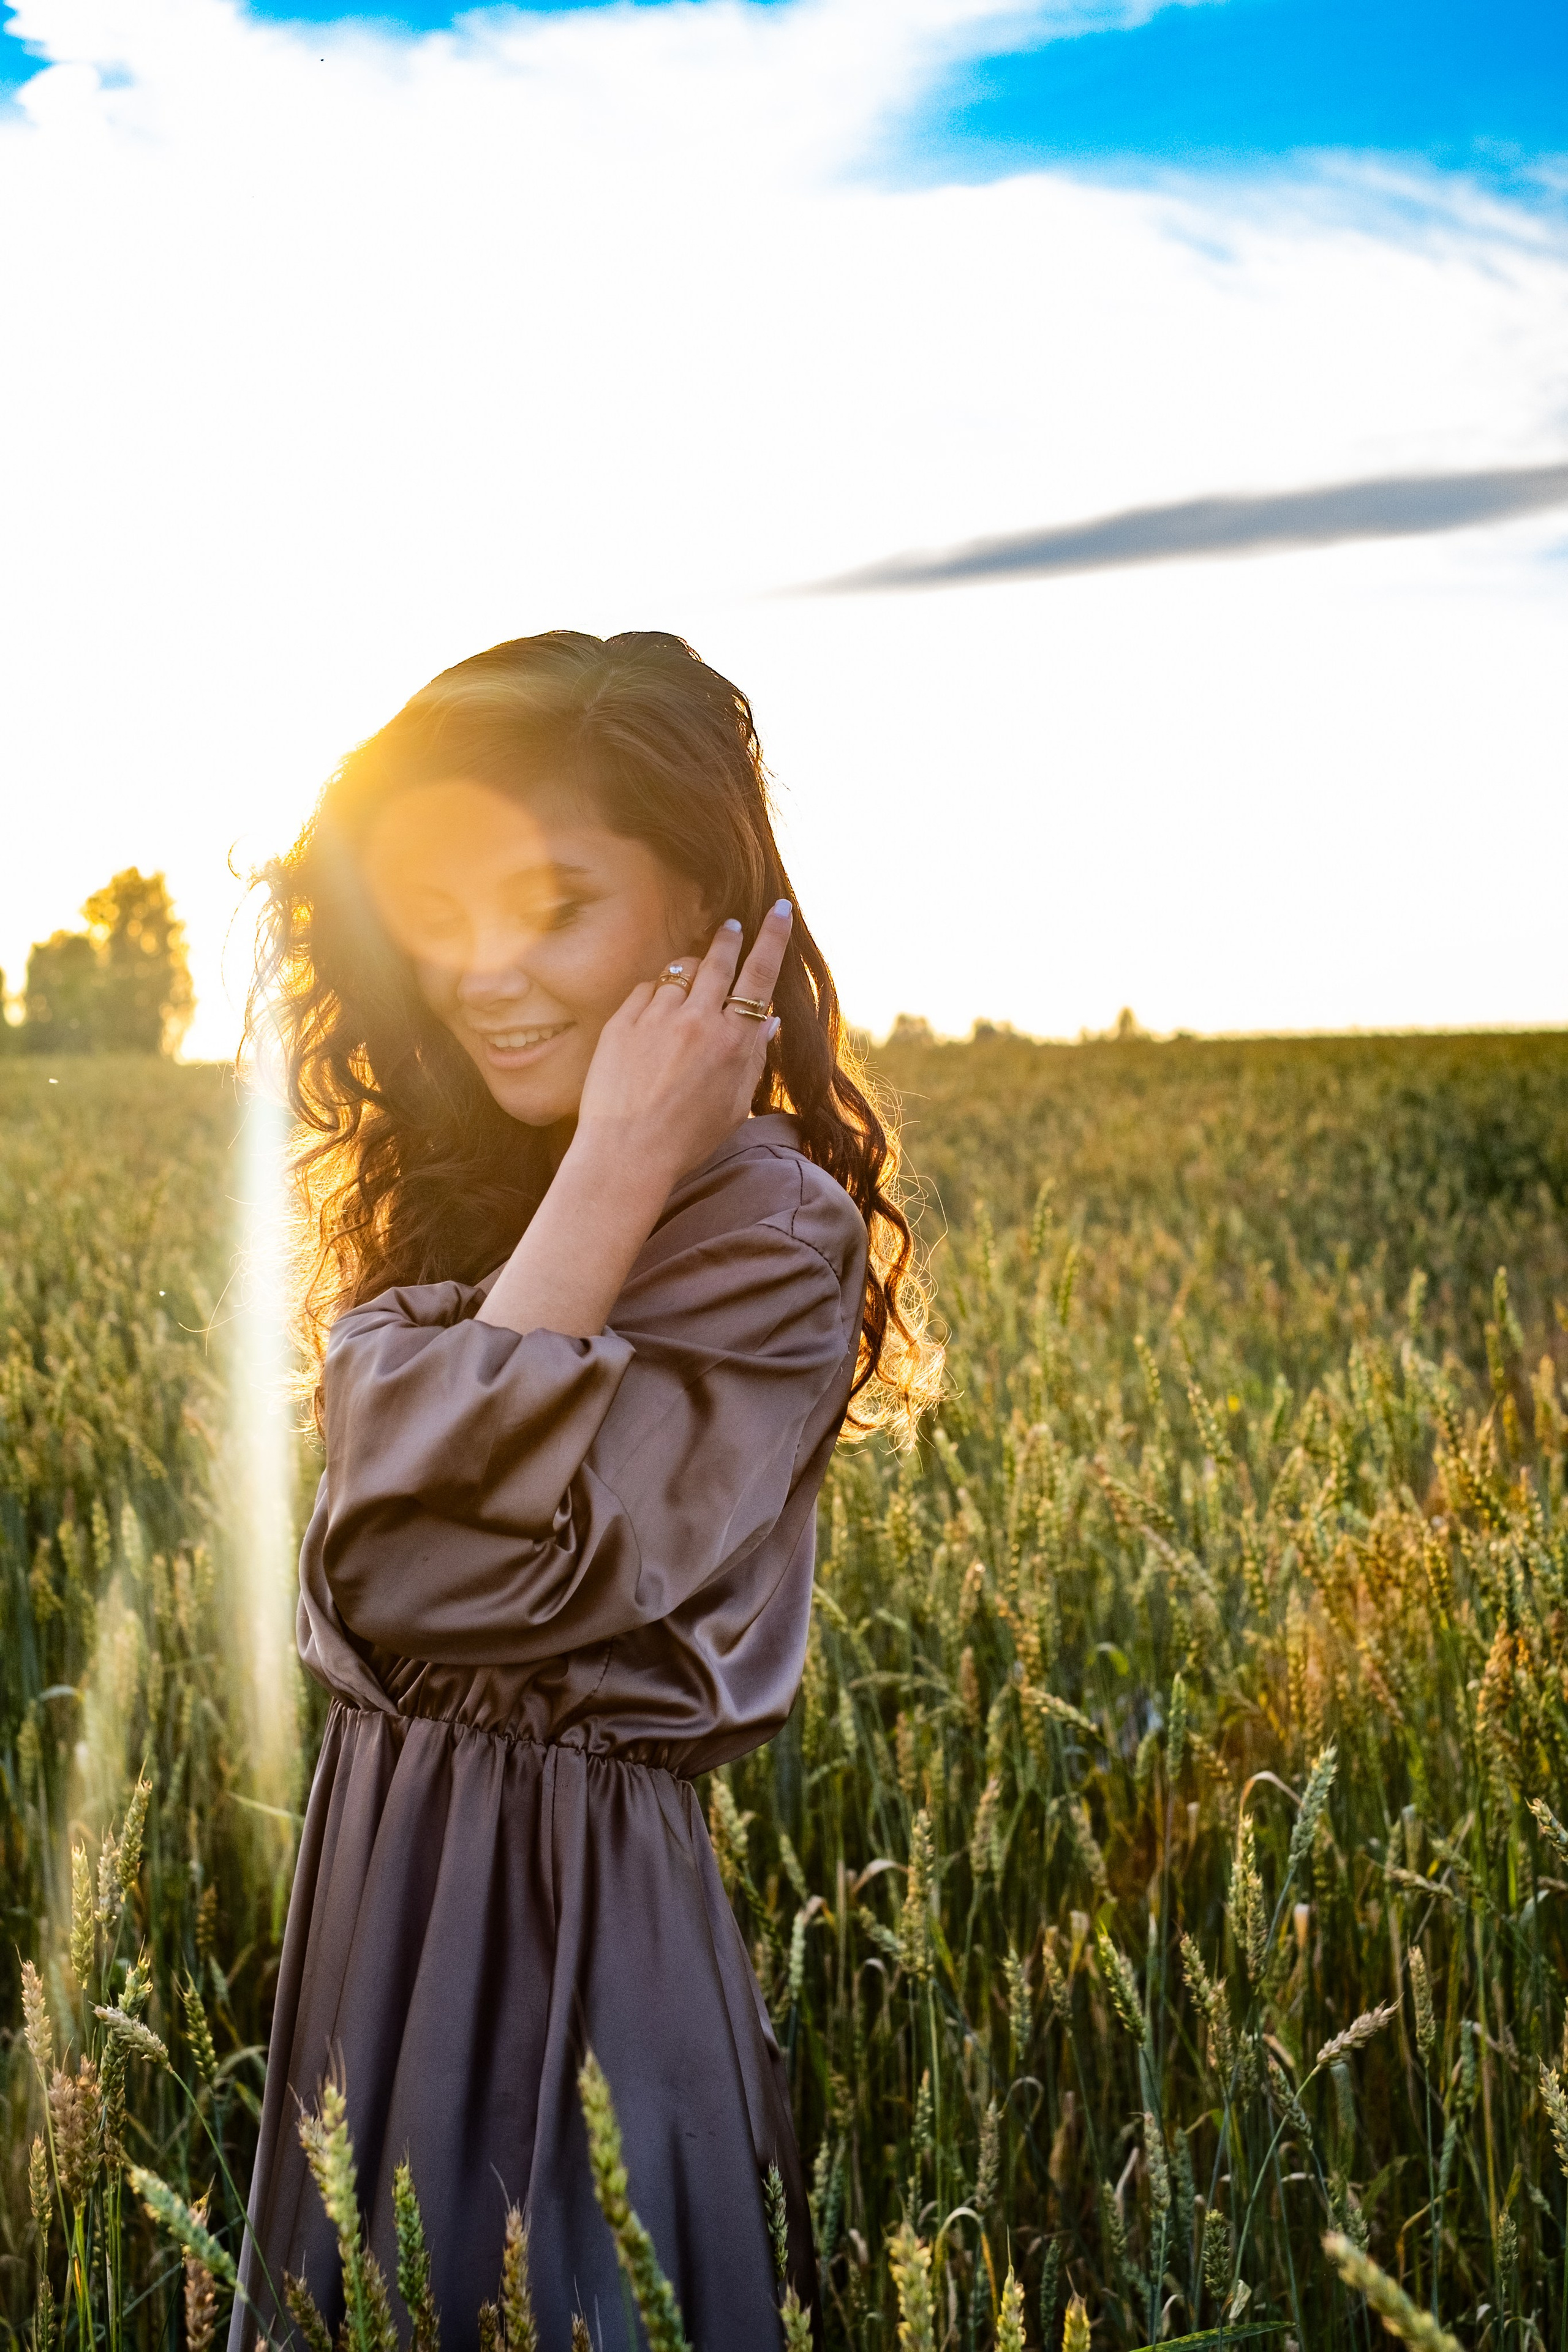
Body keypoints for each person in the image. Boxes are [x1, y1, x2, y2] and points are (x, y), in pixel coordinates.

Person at [234, 630, 936, 2351]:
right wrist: (580, 1187)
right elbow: (383, 1570)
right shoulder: (486, 1183)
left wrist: (621, 1157)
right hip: (383, 1899)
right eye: (441, 912)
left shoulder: (767, 1232)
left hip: (572, 1943)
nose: (486, 972)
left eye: (555, 904)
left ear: (709, 907)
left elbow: (410, 1571)